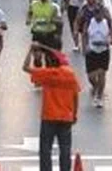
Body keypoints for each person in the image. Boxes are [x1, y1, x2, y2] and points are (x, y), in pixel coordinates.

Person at [22, 42, 81, 171]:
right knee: (65, 149)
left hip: (49, 116)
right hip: (66, 117)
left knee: (45, 149)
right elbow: (75, 97)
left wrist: (30, 50)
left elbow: (25, 67)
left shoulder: (47, 74)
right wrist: (75, 115)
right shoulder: (70, 74)